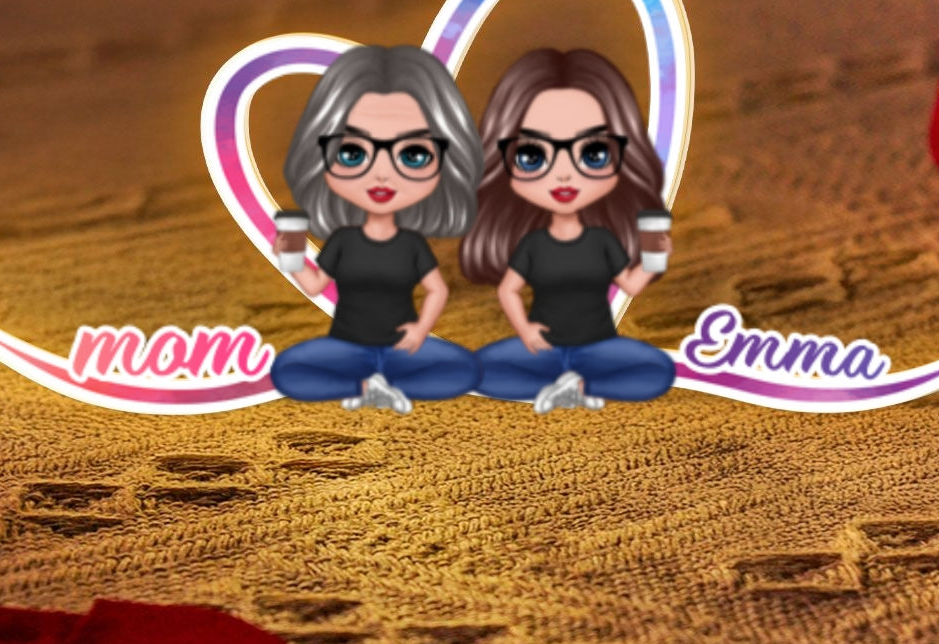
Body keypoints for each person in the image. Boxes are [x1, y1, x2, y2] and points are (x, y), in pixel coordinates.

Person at [460, 49, 676, 412]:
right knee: (483, 369)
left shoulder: (602, 240)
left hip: (599, 347)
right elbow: (508, 290)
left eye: (593, 153)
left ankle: (572, 383)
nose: (563, 174)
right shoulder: (533, 244)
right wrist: (526, 330)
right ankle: (572, 382)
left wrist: (655, 257)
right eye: (533, 156)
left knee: (654, 370)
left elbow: (631, 285)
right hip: (544, 348)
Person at [270, 45, 482, 413]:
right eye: (353, 153)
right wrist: (291, 258)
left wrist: (419, 330)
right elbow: (316, 285)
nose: (382, 174)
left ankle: (375, 382)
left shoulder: (411, 244)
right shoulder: (344, 240)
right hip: (347, 345)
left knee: (461, 369)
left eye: (412, 155)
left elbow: (437, 290)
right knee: (290, 370)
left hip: (400, 345)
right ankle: (370, 383)